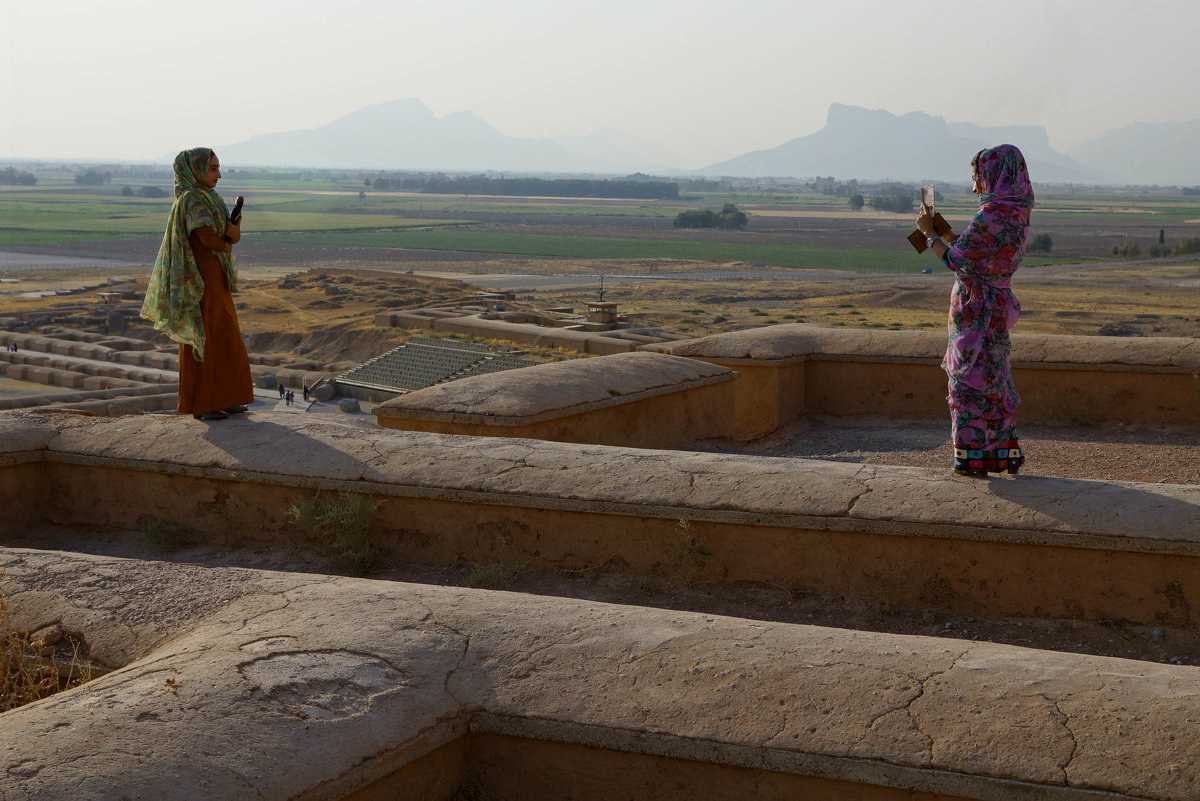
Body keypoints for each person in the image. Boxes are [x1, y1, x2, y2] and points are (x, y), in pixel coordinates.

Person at [915, 144, 1034, 477]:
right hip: (996, 312)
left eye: (977, 178)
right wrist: (946, 232)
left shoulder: (991, 215)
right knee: (994, 380)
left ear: (993, 176)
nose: (974, 187)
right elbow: (978, 252)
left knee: (968, 383)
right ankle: (1000, 455)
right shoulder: (1017, 213)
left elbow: (958, 261)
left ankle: (972, 460)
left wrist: (927, 236)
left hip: (976, 314)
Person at [141, 148, 253, 421]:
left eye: (217, 168)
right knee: (207, 337)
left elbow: (221, 236)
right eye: (213, 169)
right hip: (202, 280)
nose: (219, 174)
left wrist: (230, 234)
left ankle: (228, 398)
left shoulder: (208, 197)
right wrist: (230, 239)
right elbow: (206, 239)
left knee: (225, 335)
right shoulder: (192, 200)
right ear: (196, 170)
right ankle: (205, 404)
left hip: (216, 277)